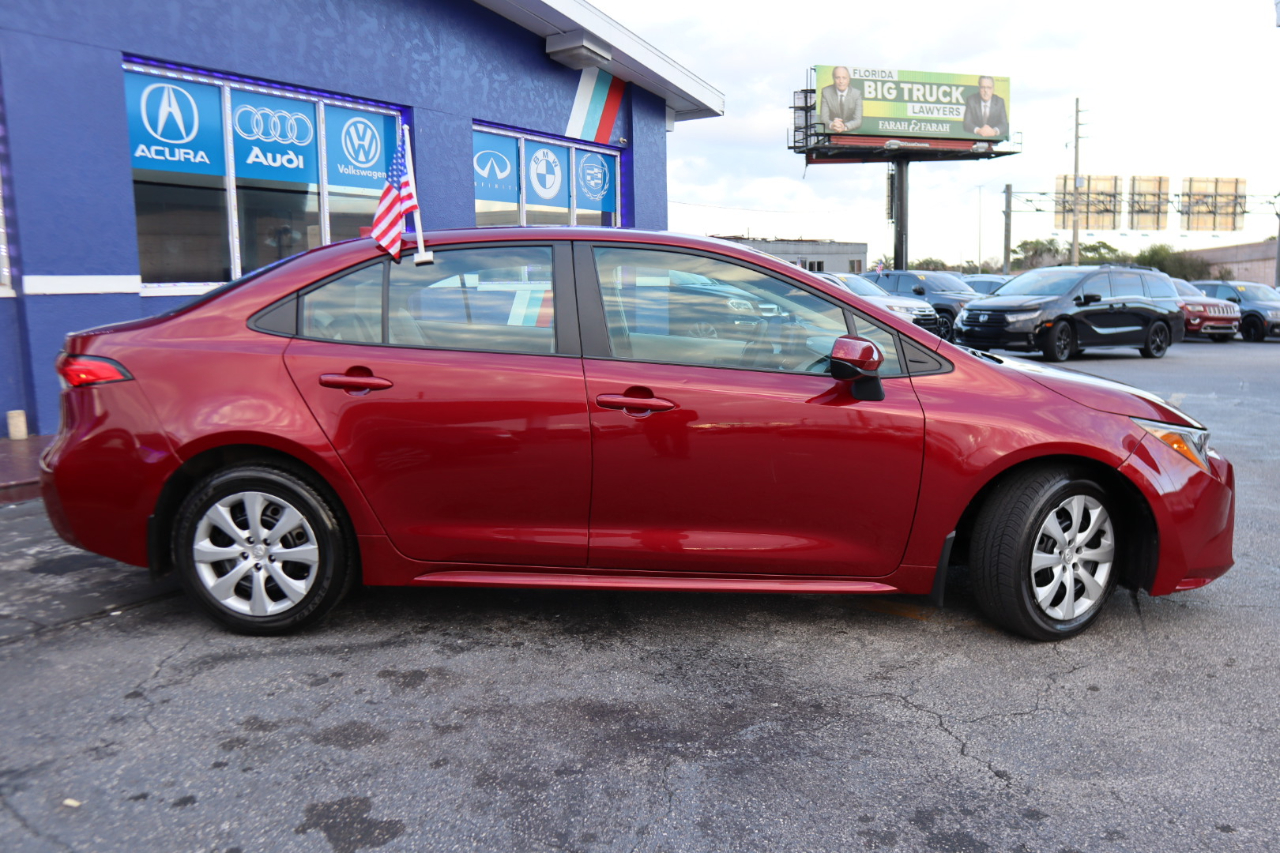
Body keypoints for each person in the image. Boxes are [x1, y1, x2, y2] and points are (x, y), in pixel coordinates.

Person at [820, 66, 862, 133]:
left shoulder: (856, 94)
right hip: (832, 132)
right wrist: (832, 125)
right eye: (837, 78)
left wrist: (844, 127)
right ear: (833, 79)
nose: (841, 81)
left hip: (850, 133)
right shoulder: (826, 92)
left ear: (849, 80)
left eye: (844, 78)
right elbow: (824, 118)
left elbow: (858, 121)